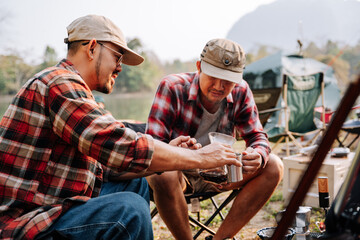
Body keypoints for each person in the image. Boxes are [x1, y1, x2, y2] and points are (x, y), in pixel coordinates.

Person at [0, 16, 240, 240]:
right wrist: (197, 157)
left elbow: (110, 166)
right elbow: (121, 147)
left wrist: (170, 151)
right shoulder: (59, 84)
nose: (120, 67)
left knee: (135, 183)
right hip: (27, 220)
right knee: (130, 210)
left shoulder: (80, 93)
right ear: (92, 47)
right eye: (117, 57)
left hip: (55, 203)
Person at [146, 38, 284, 240]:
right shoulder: (172, 87)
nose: (219, 86)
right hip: (178, 175)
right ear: (199, 67)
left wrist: (257, 154)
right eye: (214, 76)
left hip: (221, 174)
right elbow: (152, 149)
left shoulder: (241, 90)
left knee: (274, 165)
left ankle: (221, 238)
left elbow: (257, 136)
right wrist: (181, 153)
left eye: (228, 80)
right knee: (163, 174)